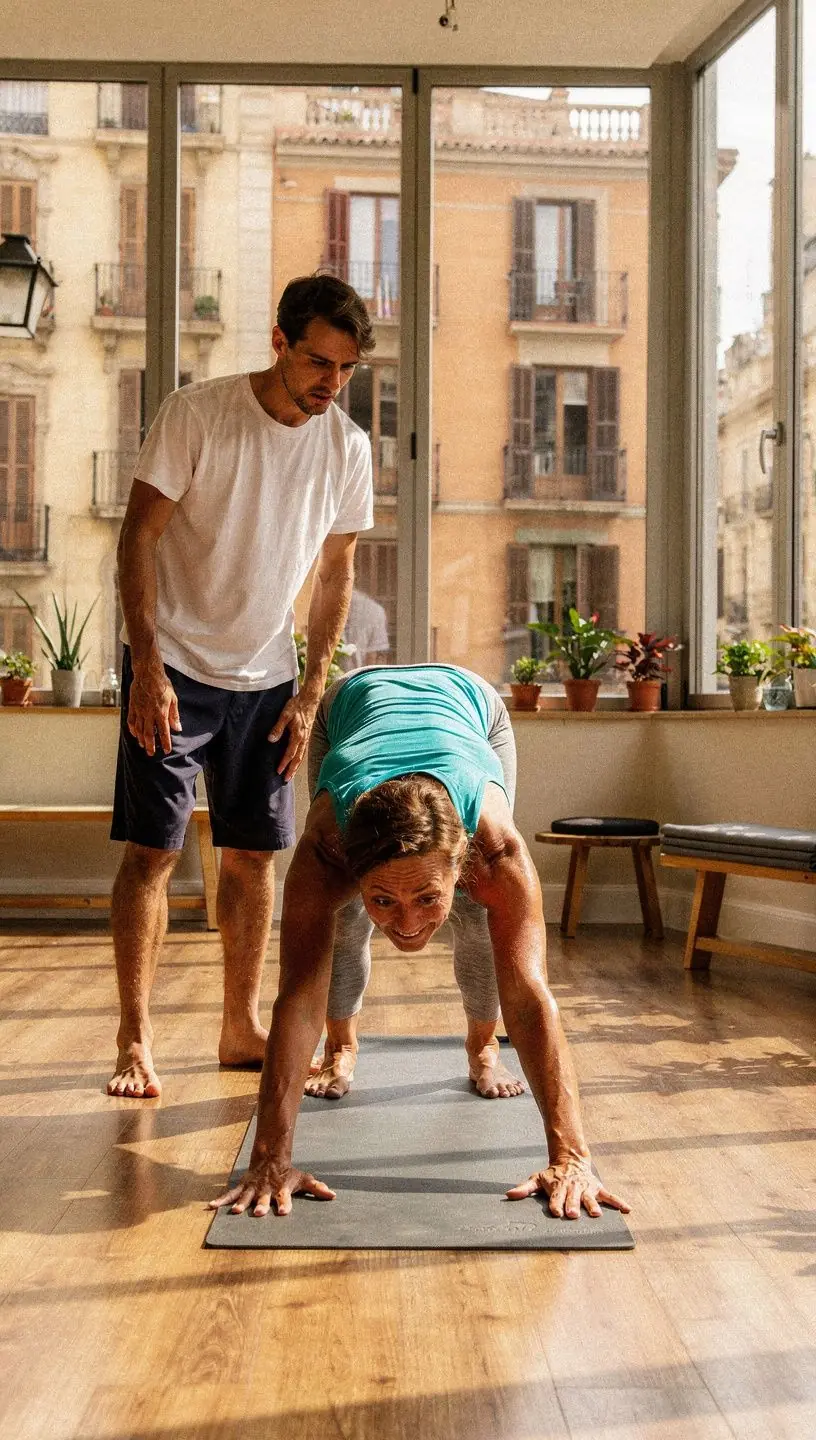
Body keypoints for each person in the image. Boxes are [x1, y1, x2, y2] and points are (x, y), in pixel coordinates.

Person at [210, 664, 631, 1222]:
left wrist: (572, 1158)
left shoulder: (497, 852)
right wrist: (268, 1160)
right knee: (343, 924)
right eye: (384, 898)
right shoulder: (323, 852)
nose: (407, 925)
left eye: (428, 899)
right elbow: (297, 994)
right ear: (350, 867)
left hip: (471, 703)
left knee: (484, 922)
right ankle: (342, 1048)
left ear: (463, 866)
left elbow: (529, 994)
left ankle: (481, 1048)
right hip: (353, 705)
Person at [107, 273, 375, 1101]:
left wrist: (309, 690)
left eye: (346, 369)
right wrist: (146, 662)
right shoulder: (197, 414)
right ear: (280, 343)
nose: (331, 383)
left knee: (255, 857)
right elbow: (138, 538)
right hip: (175, 665)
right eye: (318, 363)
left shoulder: (347, 449)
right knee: (153, 852)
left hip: (269, 677)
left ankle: (238, 1026)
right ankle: (135, 1038)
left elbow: (337, 575)